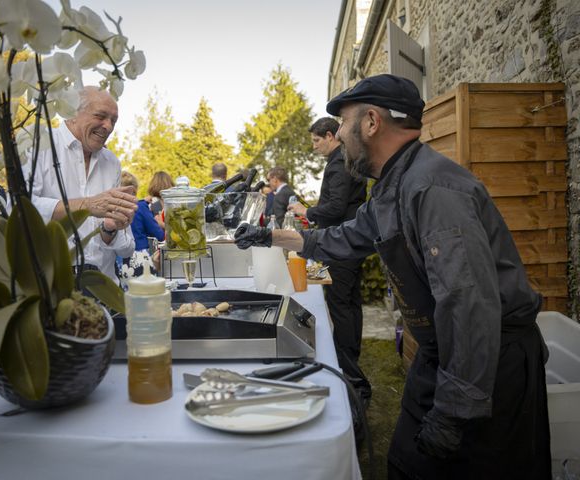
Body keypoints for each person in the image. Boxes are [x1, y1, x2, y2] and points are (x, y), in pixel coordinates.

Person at [234, 74, 551, 480]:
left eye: (345, 124)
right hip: (445, 350)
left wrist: (455, 412)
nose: (341, 135)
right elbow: (341, 237)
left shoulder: (432, 189)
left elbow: (468, 304)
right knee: (404, 462)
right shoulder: (393, 186)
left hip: (486, 363)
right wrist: (269, 236)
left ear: (370, 122)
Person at [289, 116, 369, 400]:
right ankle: (350, 359)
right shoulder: (344, 159)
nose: (314, 147)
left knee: (340, 305)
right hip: (350, 241)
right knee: (350, 303)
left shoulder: (338, 163)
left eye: (316, 140)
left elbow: (334, 208)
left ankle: (350, 372)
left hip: (341, 244)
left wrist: (306, 212)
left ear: (331, 136)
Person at [24, 86, 137, 283]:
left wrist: (110, 229)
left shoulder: (111, 162)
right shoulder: (39, 145)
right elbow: (19, 209)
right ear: (73, 113)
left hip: (102, 289)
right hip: (49, 287)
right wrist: (87, 206)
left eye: (113, 121)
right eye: (101, 116)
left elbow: (127, 248)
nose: (108, 127)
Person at [119, 171, 164, 279]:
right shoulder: (140, 207)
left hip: (118, 259)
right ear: (134, 190)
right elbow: (159, 234)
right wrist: (162, 225)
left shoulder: (114, 209)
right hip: (139, 258)